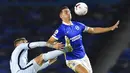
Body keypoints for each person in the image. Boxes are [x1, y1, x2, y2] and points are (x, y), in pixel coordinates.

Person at [47, 6, 120, 73]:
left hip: (83, 56)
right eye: (66, 12)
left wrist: (110, 28)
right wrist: (54, 45)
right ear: (61, 16)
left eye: (69, 11)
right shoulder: (61, 29)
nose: (69, 13)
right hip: (72, 59)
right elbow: (49, 42)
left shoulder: (78, 25)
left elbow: (93, 30)